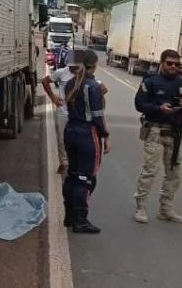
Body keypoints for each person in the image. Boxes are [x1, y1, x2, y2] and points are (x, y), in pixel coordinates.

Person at [133, 48, 182, 224]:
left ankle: (166, 209)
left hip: (175, 134)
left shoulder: (181, 83)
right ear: (162, 63)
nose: (173, 67)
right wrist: (158, 108)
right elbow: (139, 104)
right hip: (156, 131)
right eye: (169, 63)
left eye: (177, 64)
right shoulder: (150, 81)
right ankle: (141, 207)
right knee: (150, 171)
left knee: (175, 174)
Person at [62, 49, 110, 233]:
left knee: (72, 174)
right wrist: (105, 136)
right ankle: (80, 220)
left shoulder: (70, 83)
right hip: (87, 134)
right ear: (94, 64)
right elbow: (98, 117)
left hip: (70, 131)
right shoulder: (93, 87)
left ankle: (69, 216)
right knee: (85, 178)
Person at [42, 53, 81, 174]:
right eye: (72, 66)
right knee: (62, 139)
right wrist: (53, 98)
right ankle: (64, 163)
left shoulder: (83, 75)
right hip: (63, 111)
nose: (73, 68)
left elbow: (99, 88)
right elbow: (45, 81)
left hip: (78, 113)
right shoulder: (62, 72)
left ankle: (75, 163)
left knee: (77, 139)